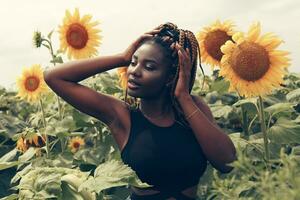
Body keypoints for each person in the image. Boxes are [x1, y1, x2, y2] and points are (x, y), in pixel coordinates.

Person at [44, 22, 237, 200]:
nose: (134, 71)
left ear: (171, 76)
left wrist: (184, 97)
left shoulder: (193, 108)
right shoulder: (122, 116)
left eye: (149, 67)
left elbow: (227, 162)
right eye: (133, 62)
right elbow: (54, 77)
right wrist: (122, 57)